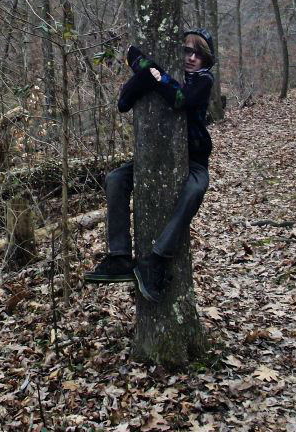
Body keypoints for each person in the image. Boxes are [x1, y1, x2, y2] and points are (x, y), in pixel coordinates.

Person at [84, 28, 216, 303]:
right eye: (187, 51)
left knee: (195, 190)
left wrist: (151, 72)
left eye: (199, 54)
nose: (192, 58)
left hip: (194, 160)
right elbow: (123, 102)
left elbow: (180, 99)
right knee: (115, 179)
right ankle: (119, 257)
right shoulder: (162, 73)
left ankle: (155, 260)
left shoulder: (203, 79)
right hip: (153, 157)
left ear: (206, 60)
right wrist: (146, 71)